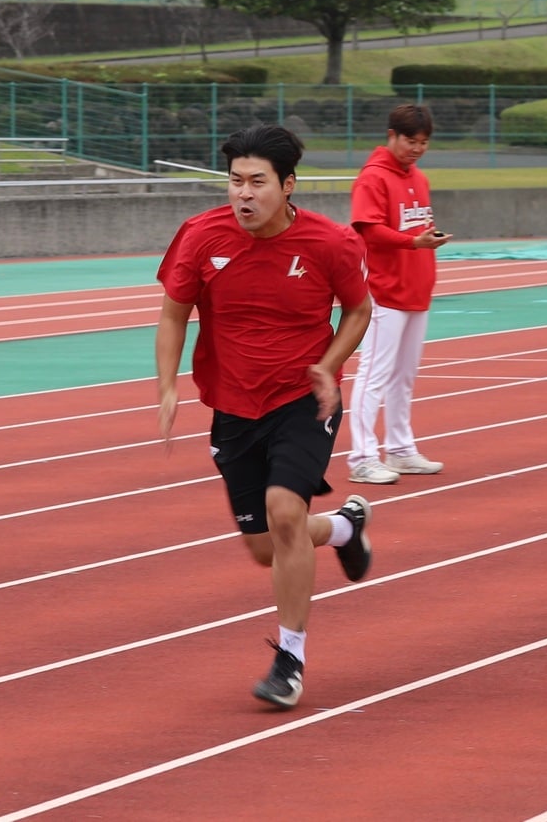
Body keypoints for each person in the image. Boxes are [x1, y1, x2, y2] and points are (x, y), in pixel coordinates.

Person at [156, 123, 376, 710]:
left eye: (258, 182)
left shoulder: (330, 243)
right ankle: (345, 529)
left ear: (288, 186)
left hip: (303, 398)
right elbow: (173, 313)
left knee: (285, 511)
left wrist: (328, 367)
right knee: (265, 546)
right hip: (233, 404)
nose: (244, 195)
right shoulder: (201, 236)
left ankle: (290, 657)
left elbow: (359, 311)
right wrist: (168, 385)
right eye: (235, 182)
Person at [347, 103, 450, 485]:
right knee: (374, 373)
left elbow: (416, 225)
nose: (417, 148)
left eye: (424, 142)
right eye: (410, 140)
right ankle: (361, 456)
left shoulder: (418, 179)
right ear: (391, 136)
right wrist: (414, 243)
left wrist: (424, 240)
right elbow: (369, 230)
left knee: (403, 377)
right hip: (384, 290)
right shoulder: (373, 178)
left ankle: (401, 449)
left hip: (416, 288)